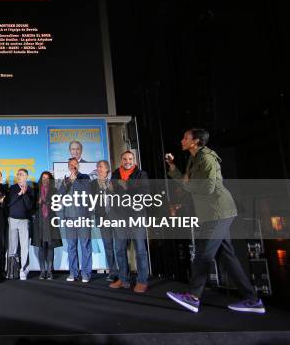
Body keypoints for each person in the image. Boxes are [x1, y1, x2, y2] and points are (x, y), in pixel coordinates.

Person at [165, 129, 265, 313]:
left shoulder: (206, 158)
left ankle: (193, 297)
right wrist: (173, 167)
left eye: (186, 137)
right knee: (227, 257)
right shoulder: (194, 158)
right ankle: (252, 300)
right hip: (213, 213)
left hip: (218, 213)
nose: (182, 140)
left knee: (203, 254)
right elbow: (189, 185)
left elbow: (208, 187)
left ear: (195, 141)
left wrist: (188, 184)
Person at [109, 151, 150, 293]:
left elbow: (144, 194)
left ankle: (142, 281)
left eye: (130, 159)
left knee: (140, 249)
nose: (128, 161)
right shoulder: (115, 174)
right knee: (119, 249)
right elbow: (112, 194)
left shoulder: (141, 174)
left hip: (136, 216)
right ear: (121, 160)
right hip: (119, 216)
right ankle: (123, 279)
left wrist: (126, 187)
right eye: (125, 159)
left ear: (134, 160)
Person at [58, 158, 93, 283]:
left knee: (85, 245)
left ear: (78, 165)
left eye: (75, 164)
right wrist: (69, 182)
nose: (73, 166)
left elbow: (86, 192)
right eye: (71, 165)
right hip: (69, 218)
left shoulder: (85, 178)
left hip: (83, 217)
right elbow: (60, 194)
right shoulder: (65, 181)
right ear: (68, 166)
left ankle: (86, 273)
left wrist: (74, 180)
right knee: (71, 247)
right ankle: (73, 273)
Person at [90, 160, 119, 282]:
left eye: (101, 167)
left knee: (120, 246)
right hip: (102, 218)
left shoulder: (115, 182)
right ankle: (112, 272)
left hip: (117, 218)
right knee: (108, 246)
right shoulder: (92, 184)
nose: (98, 169)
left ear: (107, 170)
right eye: (97, 167)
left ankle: (123, 271)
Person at [32, 171, 62, 280]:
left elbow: (57, 205)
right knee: (41, 246)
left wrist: (48, 202)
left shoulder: (54, 190)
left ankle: (49, 271)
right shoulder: (36, 191)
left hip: (50, 221)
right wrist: (38, 203)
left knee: (50, 245)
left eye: (47, 178)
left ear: (50, 180)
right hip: (40, 221)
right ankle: (42, 271)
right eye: (43, 177)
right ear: (41, 179)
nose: (45, 179)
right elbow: (31, 206)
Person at [6, 168, 34, 281]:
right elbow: (9, 202)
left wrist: (25, 193)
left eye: (21, 174)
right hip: (12, 220)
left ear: (26, 176)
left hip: (24, 221)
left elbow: (29, 206)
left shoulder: (31, 189)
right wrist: (19, 193)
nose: (19, 176)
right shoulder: (12, 188)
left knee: (24, 247)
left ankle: (23, 270)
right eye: (18, 174)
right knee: (12, 246)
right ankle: (12, 271)